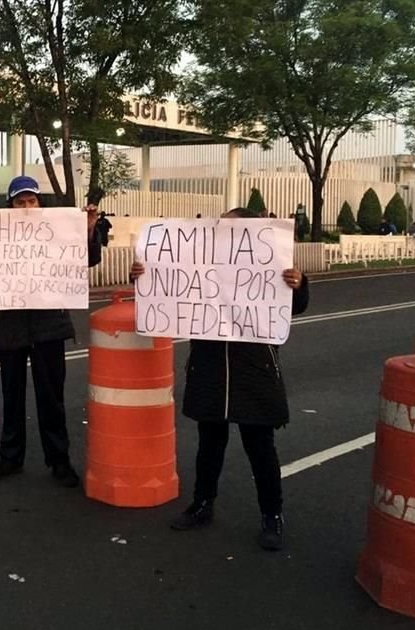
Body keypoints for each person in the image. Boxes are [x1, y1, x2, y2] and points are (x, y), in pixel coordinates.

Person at [130, 207, 310, 551]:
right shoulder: (199, 258)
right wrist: (144, 275)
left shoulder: (274, 263)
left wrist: (298, 285)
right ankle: (202, 504)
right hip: (210, 365)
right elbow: (170, 289)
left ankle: (272, 515)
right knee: (209, 443)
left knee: (260, 447)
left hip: (254, 369)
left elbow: (296, 305)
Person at [0, 175, 102, 487]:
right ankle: (10, 457)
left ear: (39, 203)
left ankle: (59, 460)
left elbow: (90, 259)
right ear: (11, 205)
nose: (27, 207)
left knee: (52, 397)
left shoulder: (55, 231)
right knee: (11, 394)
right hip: (10, 327)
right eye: (21, 202)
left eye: (32, 201)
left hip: (49, 326)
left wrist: (87, 229)